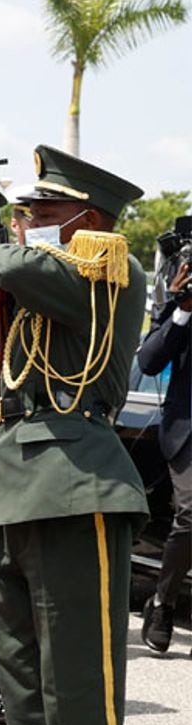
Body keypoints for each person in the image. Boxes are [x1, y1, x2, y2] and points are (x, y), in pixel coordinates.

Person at [0, 145, 148, 725]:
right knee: (23, 667)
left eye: (44, 212)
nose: (27, 220)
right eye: (27, 210)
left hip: (80, 482)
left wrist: (0, 249)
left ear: (90, 219)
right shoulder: (45, 284)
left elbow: (7, 266)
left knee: (77, 672)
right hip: (19, 479)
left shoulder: (106, 270)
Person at [138, 258, 192, 654]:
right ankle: (163, 602)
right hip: (188, 429)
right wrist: (183, 309)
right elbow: (149, 360)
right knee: (191, 514)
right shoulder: (178, 304)